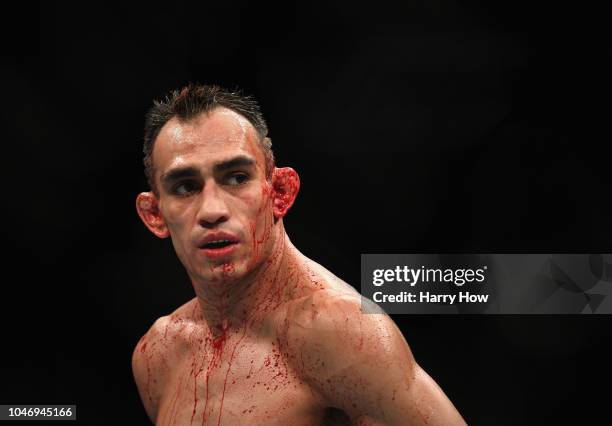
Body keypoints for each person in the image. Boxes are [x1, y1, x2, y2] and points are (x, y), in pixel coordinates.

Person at [132, 83, 466, 425]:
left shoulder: (340, 331)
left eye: (235, 178)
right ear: (154, 214)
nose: (212, 210)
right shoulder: (159, 354)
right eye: (185, 186)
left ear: (280, 192)